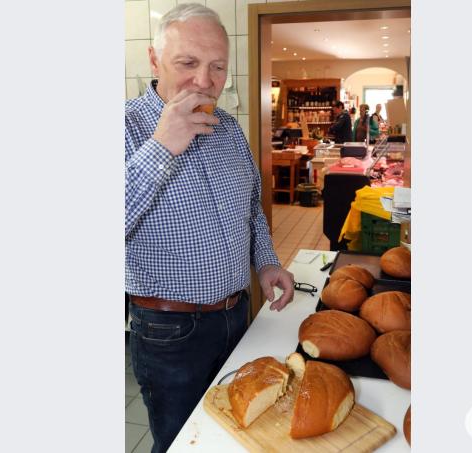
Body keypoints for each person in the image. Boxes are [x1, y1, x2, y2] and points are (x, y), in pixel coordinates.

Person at [124, 4, 295, 452]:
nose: (205, 80)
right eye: (188, 63)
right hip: (168, 333)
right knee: (186, 442)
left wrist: (267, 263)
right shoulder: (123, 127)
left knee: (242, 433)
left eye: (217, 66)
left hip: (238, 314)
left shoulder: (229, 131)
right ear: (153, 60)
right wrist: (163, 146)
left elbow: (251, 211)